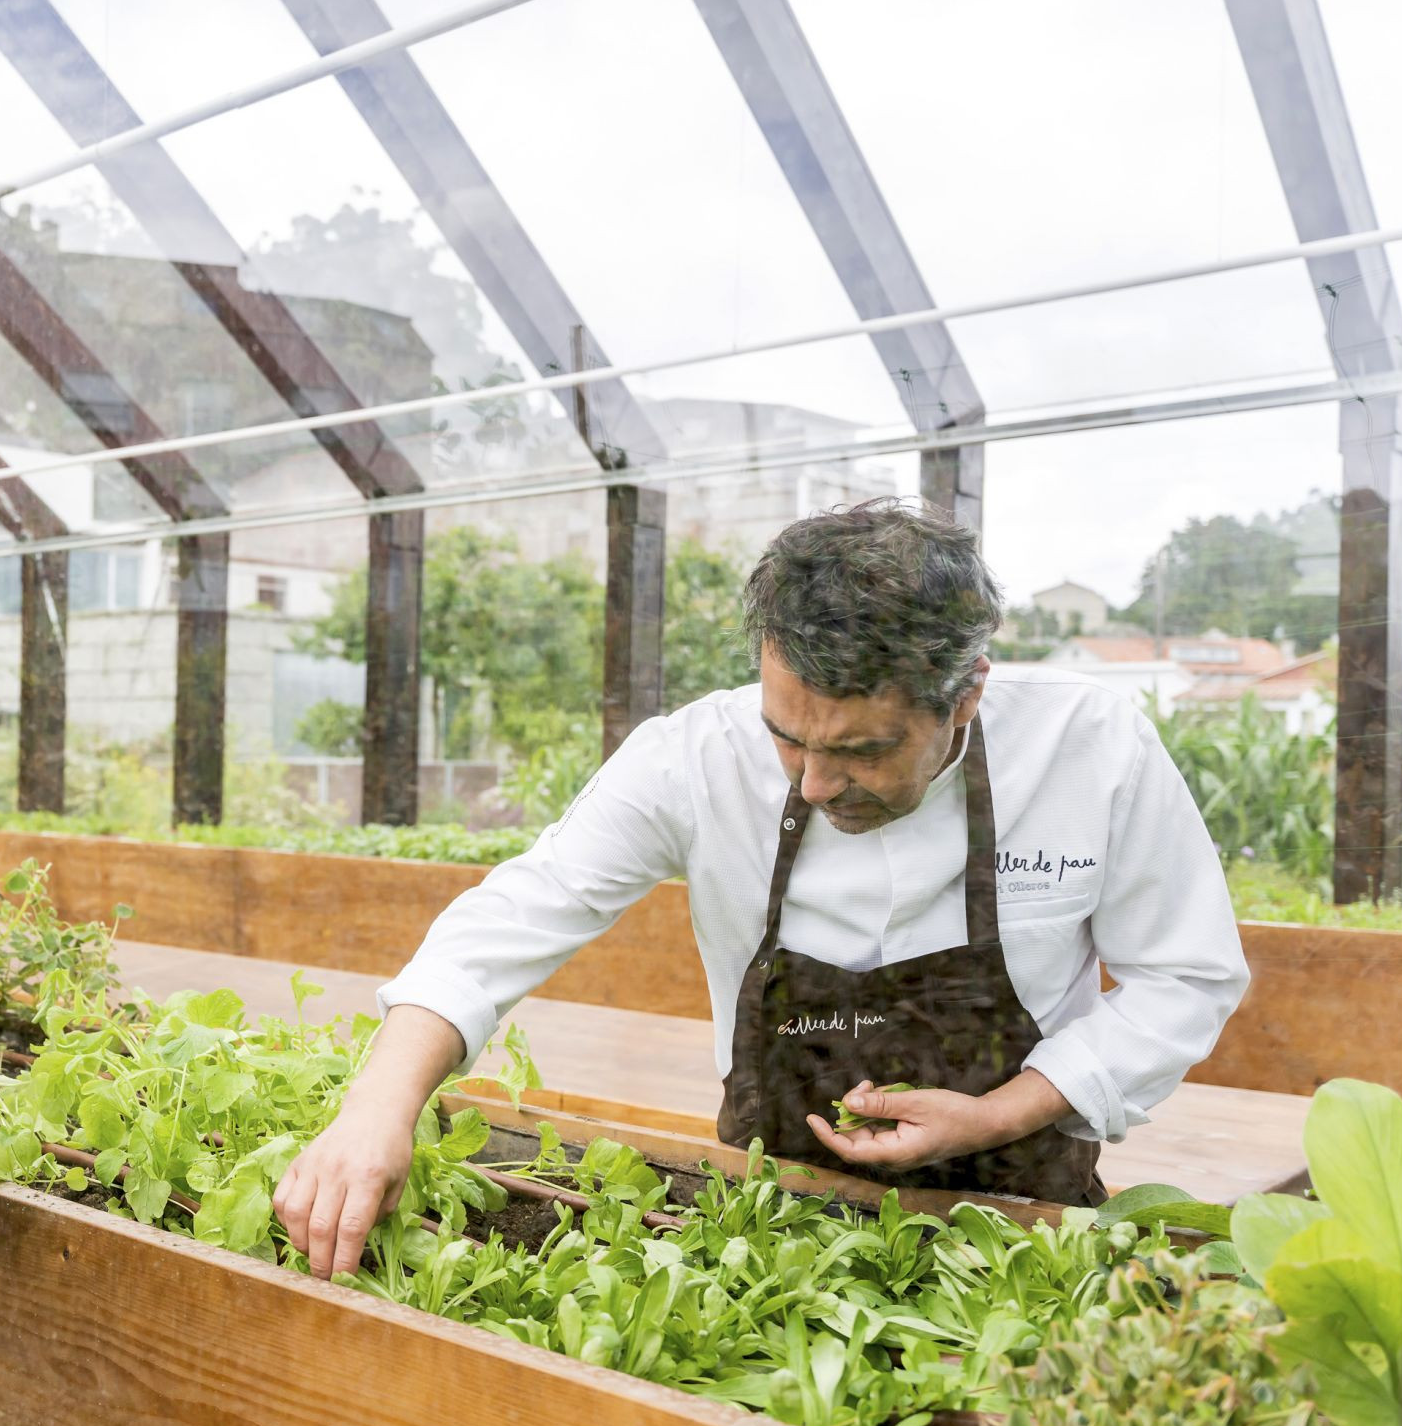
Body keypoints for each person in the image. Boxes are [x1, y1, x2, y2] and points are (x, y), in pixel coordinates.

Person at [276, 499, 1249, 1279]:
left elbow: (1184, 976)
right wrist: (375, 1107)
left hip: (1023, 1228)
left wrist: (1004, 1110)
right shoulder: (695, 758)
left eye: (860, 750)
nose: (814, 784)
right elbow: (517, 910)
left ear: (966, 695)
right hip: (765, 1218)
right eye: (789, 735)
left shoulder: (1091, 748)